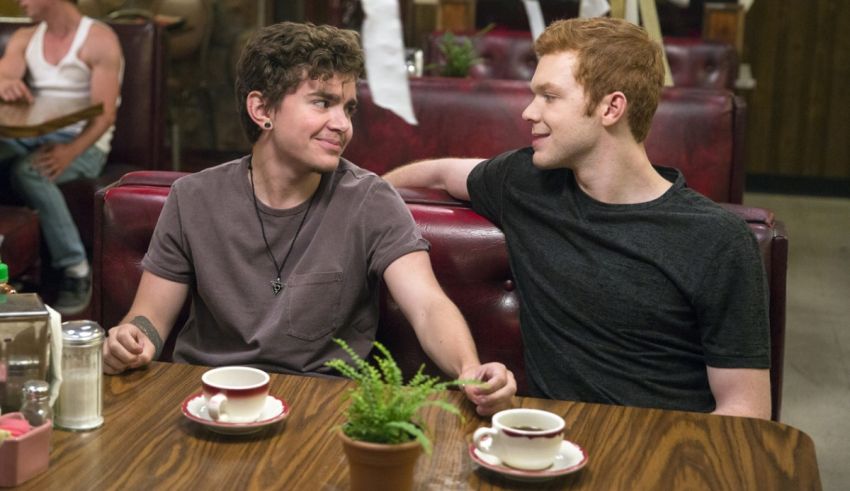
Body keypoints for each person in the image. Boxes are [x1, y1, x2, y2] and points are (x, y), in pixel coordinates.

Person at [101, 22, 515, 416]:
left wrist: (467, 368)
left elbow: (427, 305)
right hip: (211, 398)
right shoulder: (192, 199)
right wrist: (132, 340)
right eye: (322, 102)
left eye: (348, 108)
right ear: (262, 109)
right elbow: (150, 318)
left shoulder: (371, 200)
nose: (343, 124)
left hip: (321, 406)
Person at [384, 18, 771, 419]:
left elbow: (745, 410)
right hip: (549, 449)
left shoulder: (719, 239)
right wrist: (364, 199)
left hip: (661, 455)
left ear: (611, 107)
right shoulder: (524, 182)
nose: (529, 111)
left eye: (549, 96)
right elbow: (437, 172)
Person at [0, 0, 123, 315]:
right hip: (30, 135)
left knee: (29, 171)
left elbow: (105, 115)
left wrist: (70, 152)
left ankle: (76, 270)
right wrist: (7, 83)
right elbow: (4, 74)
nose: (21, 1)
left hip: (84, 144)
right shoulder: (25, 38)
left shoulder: (98, 39)